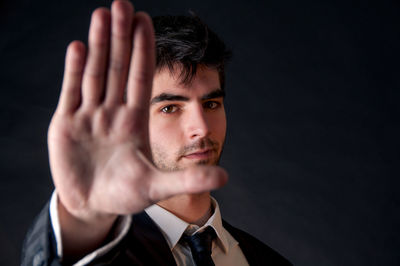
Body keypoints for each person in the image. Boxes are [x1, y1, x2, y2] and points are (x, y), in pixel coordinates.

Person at [21, 1, 292, 265]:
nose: (201, 128)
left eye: (211, 104)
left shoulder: (268, 260)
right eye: (170, 108)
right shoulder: (95, 253)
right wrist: (81, 223)